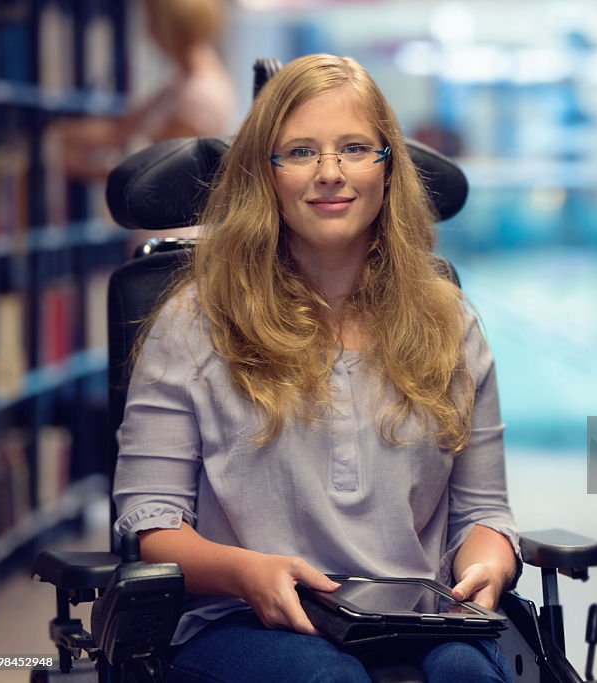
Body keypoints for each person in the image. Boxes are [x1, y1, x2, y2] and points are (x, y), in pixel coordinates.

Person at [112, 53, 520, 683]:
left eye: (355, 148)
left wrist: (490, 563)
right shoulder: (195, 322)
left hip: (415, 615)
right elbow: (151, 526)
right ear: (264, 175)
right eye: (300, 152)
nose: (331, 173)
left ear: (388, 168)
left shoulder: (449, 323)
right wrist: (247, 573)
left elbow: (484, 514)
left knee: (468, 674)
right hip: (239, 618)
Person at [54, 0, 235, 180]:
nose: (149, 33)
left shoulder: (197, 95)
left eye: (153, 21)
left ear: (170, 24)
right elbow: (121, 131)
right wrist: (60, 134)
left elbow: (165, 175)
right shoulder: (181, 81)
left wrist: (80, 167)